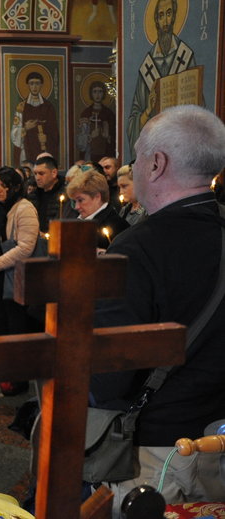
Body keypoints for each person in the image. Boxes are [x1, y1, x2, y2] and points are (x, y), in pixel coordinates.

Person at [92, 105, 225, 510]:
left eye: (135, 156)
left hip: (161, 455)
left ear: (156, 163)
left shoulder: (138, 247)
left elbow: (111, 374)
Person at [126, 0, 196, 157]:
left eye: (169, 13)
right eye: (161, 15)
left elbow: (200, 109)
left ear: (175, 16)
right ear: (156, 21)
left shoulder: (185, 56)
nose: (165, 21)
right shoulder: (147, 66)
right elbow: (133, 120)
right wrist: (148, 111)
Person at [0, 167, 39, 334]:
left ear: (16, 187)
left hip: (14, 276)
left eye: (4, 185)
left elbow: (25, 248)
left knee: (14, 322)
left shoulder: (24, 208)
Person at [66, 168, 129, 250]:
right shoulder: (80, 222)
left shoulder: (117, 227)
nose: (76, 207)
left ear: (97, 197)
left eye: (80, 200)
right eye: (75, 201)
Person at [11, 71, 59, 164]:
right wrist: (25, 128)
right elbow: (14, 133)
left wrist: (47, 138)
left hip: (43, 149)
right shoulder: (21, 107)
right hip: (27, 149)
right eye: (31, 83)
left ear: (41, 85)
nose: (34, 87)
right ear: (28, 85)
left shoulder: (48, 107)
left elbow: (54, 132)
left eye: (37, 83)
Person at [77, 81, 116, 163]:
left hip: (105, 153)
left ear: (104, 93)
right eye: (95, 91)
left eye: (100, 91)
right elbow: (81, 139)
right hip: (90, 154)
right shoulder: (86, 113)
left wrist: (107, 136)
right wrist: (91, 136)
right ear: (91, 94)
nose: (97, 95)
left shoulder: (109, 113)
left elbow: (114, 136)